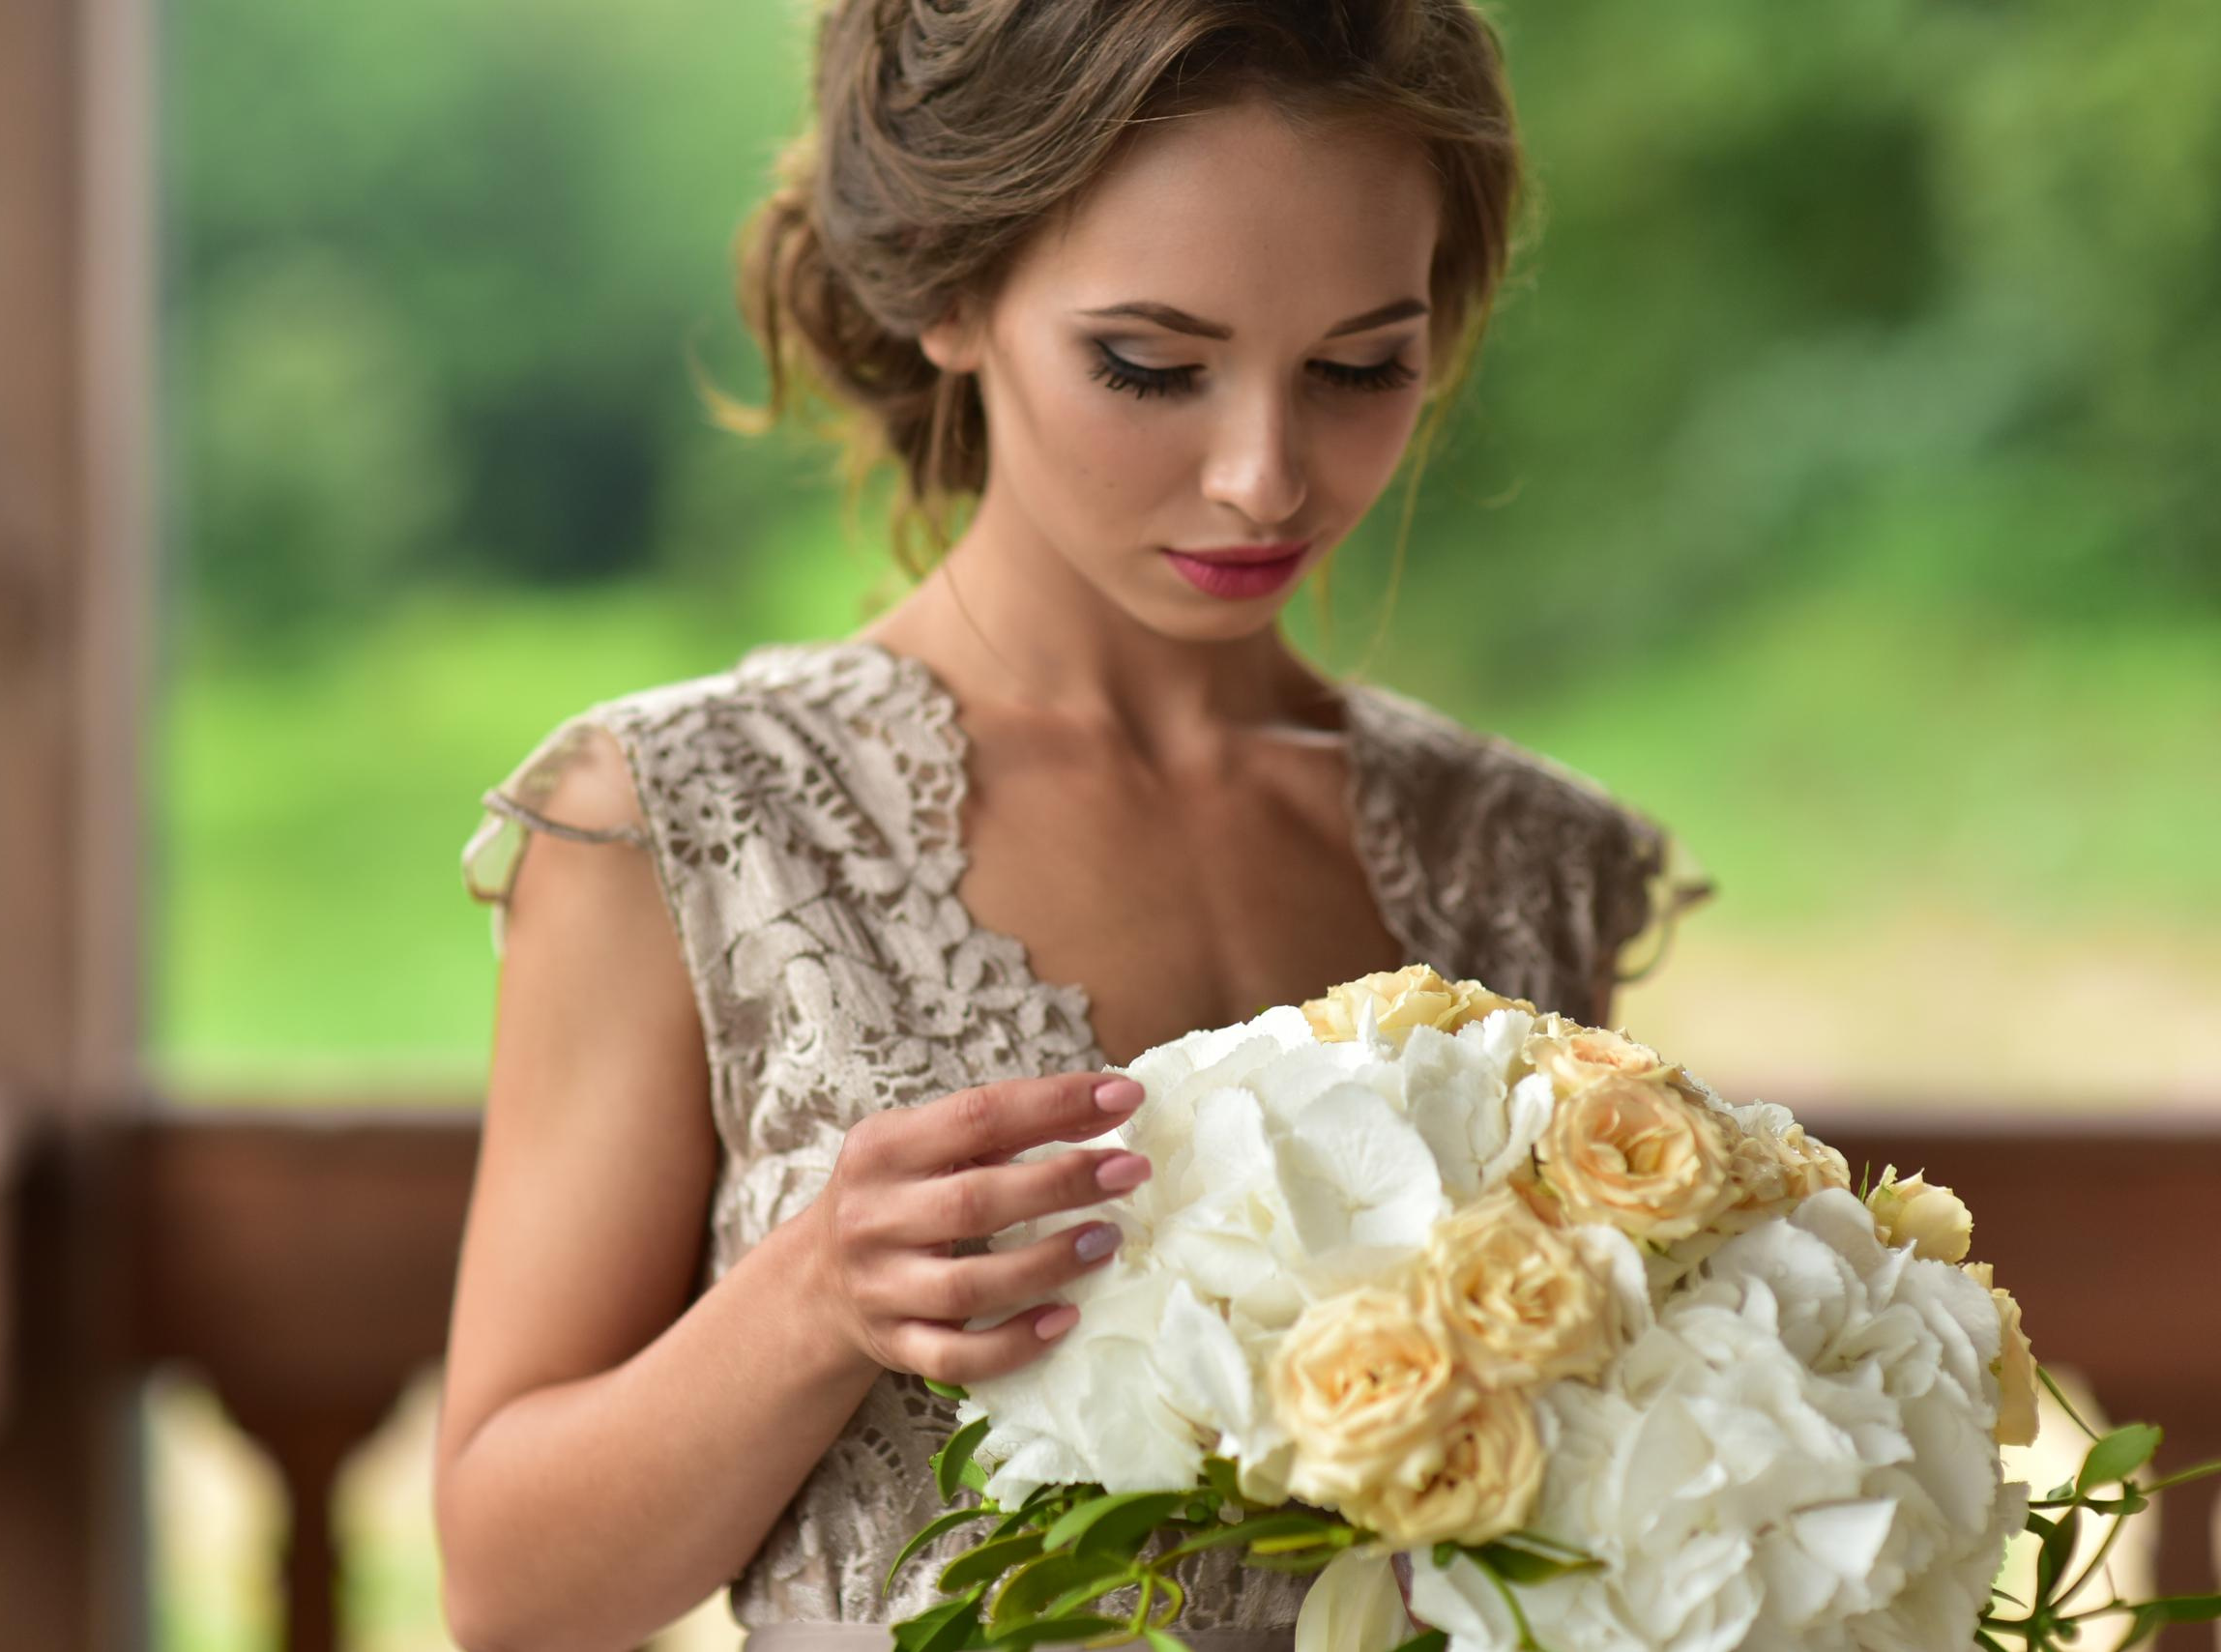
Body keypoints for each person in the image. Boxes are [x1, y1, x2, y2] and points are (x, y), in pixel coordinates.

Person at [430, 4, 1713, 1650]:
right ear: (951, 293)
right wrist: (818, 1294)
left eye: (1358, 366)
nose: (1264, 476)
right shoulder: (680, 825)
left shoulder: (1527, 863)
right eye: (1152, 366)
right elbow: (510, 1595)